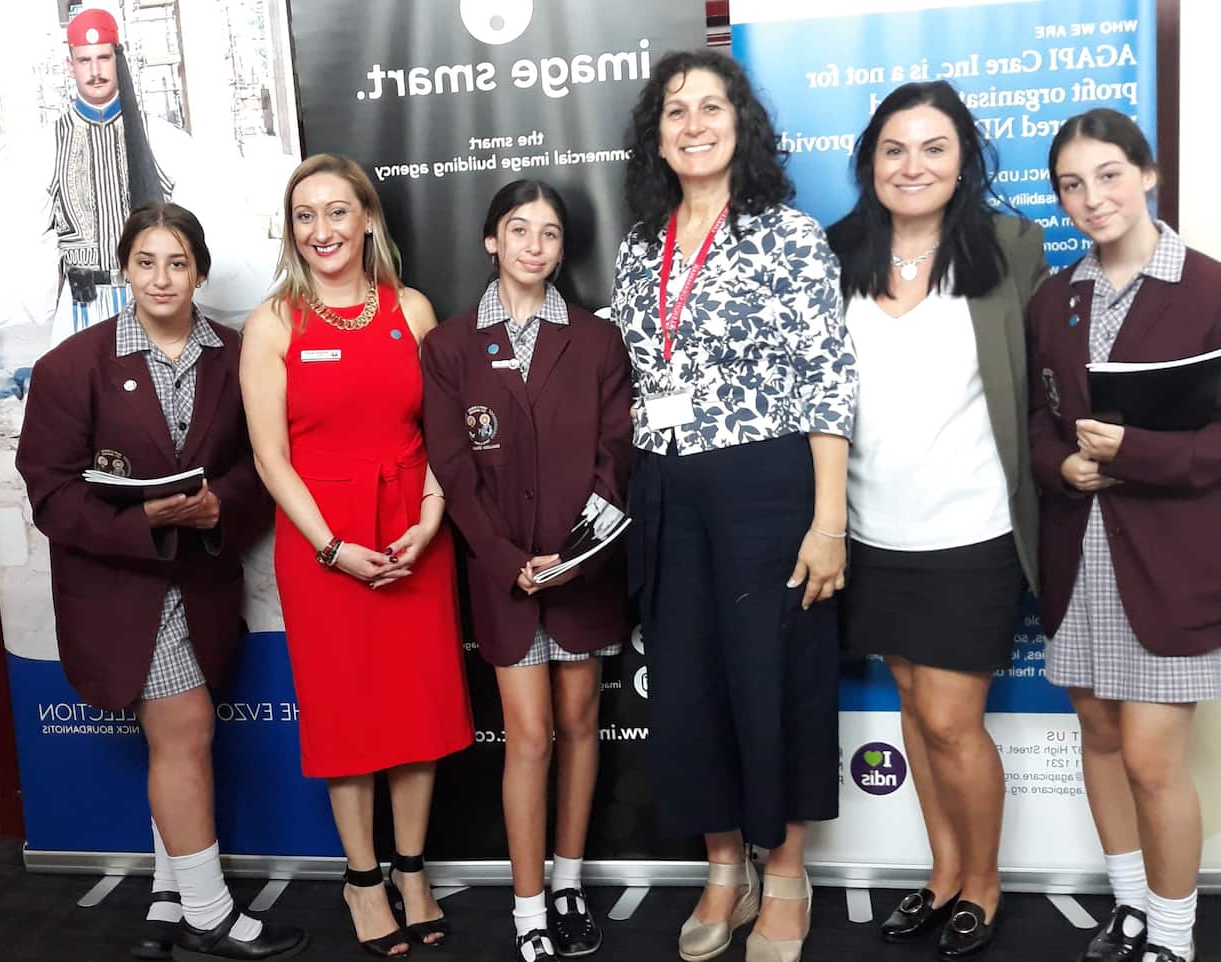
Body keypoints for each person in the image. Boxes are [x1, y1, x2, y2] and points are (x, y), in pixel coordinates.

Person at [610, 49, 857, 962]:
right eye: (674, 111)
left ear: (739, 123)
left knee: (773, 678)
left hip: (766, 485)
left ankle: (785, 872)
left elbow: (828, 380)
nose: (693, 123)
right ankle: (724, 867)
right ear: (658, 138)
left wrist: (827, 521)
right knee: (689, 682)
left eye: (711, 106)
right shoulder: (641, 245)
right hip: (667, 486)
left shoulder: (787, 235)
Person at [15, 202, 306, 962]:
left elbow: (261, 463)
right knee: (184, 733)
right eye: (146, 261)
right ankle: (209, 915)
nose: (162, 277)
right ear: (123, 269)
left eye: (178, 262)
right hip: (119, 588)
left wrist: (221, 506)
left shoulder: (236, 356)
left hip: (202, 579)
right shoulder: (71, 366)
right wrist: (142, 519)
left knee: (173, 741)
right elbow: (48, 492)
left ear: (200, 272)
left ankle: (169, 893)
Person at [826, 80, 1045, 959]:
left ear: (965, 162)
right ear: (870, 161)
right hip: (871, 530)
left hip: (972, 532)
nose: (912, 166)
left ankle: (983, 886)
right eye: (894, 149)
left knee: (955, 722)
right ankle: (942, 871)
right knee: (915, 711)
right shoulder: (838, 253)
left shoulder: (1008, 247)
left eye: (934, 148)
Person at [240, 153, 474, 958]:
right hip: (324, 542)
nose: (321, 230)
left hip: (413, 531)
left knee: (416, 711)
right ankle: (364, 876)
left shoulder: (410, 310)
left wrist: (434, 516)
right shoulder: (274, 323)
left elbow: (445, 431)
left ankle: (413, 869)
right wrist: (333, 548)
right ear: (291, 230)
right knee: (350, 716)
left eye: (337, 212)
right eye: (305, 216)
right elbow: (271, 459)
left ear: (367, 218)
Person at [420, 180, 633, 962]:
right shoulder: (447, 347)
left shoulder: (597, 341)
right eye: (518, 230)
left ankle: (570, 880)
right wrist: (509, 562)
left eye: (548, 233)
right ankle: (528, 904)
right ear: (491, 241)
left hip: (584, 570)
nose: (533, 246)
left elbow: (617, 458)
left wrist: (574, 554)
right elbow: (451, 463)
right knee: (531, 737)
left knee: (580, 728)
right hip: (502, 579)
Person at [1028, 109, 1221, 962]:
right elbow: (1040, 415)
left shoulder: (1211, 289)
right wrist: (1058, 466)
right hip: (1080, 555)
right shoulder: (1054, 295)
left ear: (1148, 174)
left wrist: (1139, 453)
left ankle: (1174, 938)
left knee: (1150, 761)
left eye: (1108, 174)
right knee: (1099, 741)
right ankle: (1133, 905)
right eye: (1072, 183)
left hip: (1170, 564)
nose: (1091, 196)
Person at [0, 7, 270, 353]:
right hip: (83, 299)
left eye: (103, 58)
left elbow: (211, 214)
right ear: (71, 66)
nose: (96, 71)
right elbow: (19, 228)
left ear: (119, 59)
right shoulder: (48, 145)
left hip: (151, 295)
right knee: (84, 392)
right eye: (85, 61)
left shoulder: (159, 137)